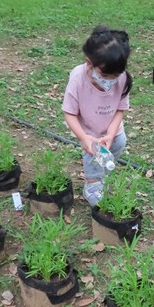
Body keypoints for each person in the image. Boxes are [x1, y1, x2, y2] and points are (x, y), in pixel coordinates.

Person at [62, 26, 132, 206]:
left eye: (115, 76)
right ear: (89, 63)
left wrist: (110, 133)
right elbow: (70, 113)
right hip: (89, 132)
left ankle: (103, 177)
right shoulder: (78, 78)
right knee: (92, 155)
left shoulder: (122, 78)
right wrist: (84, 138)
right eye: (104, 75)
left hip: (111, 128)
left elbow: (120, 109)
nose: (109, 80)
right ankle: (92, 184)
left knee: (118, 144)